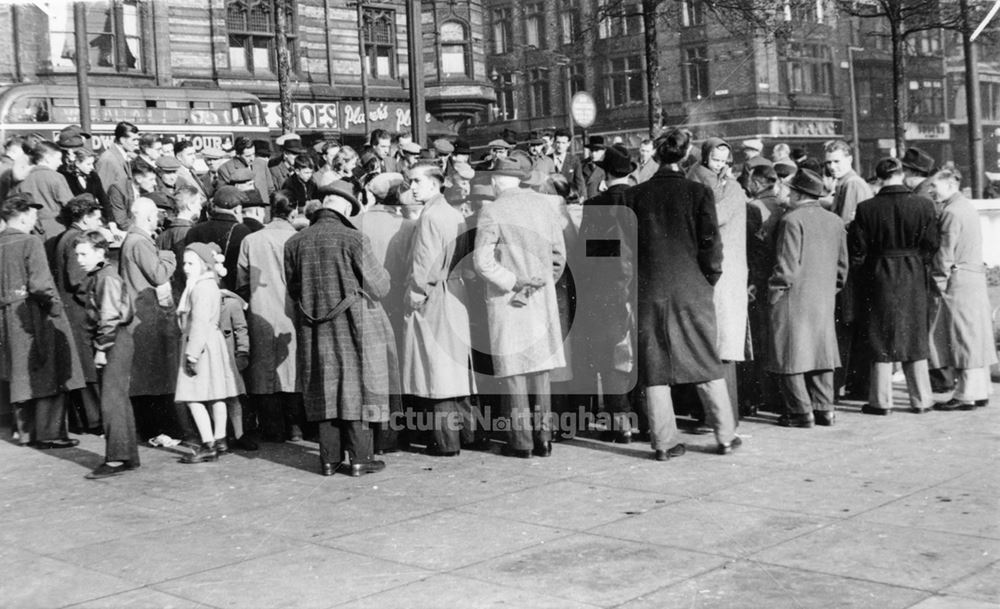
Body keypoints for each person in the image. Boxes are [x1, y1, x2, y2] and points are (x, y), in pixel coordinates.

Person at [623, 129, 739, 459]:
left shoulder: (635, 195)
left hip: (649, 290)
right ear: (686, 155)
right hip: (693, 289)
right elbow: (712, 247)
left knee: (654, 363)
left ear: (656, 155)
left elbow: (626, 251)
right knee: (703, 357)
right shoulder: (699, 193)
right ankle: (726, 436)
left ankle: (663, 443)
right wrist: (707, 280)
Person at [284, 181, 393, 477]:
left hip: (312, 326)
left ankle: (329, 460)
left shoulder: (294, 242)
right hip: (353, 323)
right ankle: (360, 458)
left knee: (322, 386)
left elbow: (293, 290)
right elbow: (379, 286)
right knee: (355, 386)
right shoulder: (355, 239)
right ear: (346, 207)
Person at [474, 156, 567, 459]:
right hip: (541, 298)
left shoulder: (491, 210)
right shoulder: (546, 206)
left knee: (514, 371)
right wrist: (541, 283)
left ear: (499, 180)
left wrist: (515, 283)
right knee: (540, 369)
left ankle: (521, 442)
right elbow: (558, 256)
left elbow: (482, 262)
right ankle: (544, 439)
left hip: (508, 300)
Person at [848, 157, 939, 416]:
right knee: (914, 333)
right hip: (912, 272)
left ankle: (881, 401)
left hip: (879, 274)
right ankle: (921, 399)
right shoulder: (924, 205)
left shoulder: (866, 208)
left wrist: (867, 271)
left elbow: (858, 250)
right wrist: (917, 262)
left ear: (878, 178)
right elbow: (931, 244)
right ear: (901, 174)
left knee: (880, 334)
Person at [402, 163, 476, 456]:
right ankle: (469, 434)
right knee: (457, 369)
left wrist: (415, 297)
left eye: (417, 181)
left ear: (435, 184)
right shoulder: (453, 213)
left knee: (437, 372)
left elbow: (424, 265)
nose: (413, 187)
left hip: (436, 296)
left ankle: (446, 442)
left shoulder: (430, 217)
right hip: (457, 293)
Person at [0, 193, 83, 448]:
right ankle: (49, 434)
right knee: (49, 369)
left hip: (6, 316)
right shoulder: (30, 242)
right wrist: (56, 309)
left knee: (19, 372)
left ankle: (25, 432)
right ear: (24, 215)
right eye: (34, 212)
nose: (36, 217)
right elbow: (40, 284)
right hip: (33, 313)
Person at [767, 169, 848, 427]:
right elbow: (842, 267)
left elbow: (786, 267)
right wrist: (829, 290)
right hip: (824, 297)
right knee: (822, 353)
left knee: (789, 354)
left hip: (793, 297)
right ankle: (825, 408)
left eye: (790, 190)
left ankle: (801, 411)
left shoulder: (792, 220)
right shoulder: (834, 220)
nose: (787, 193)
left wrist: (773, 292)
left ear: (799, 193)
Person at [577, 143, 636, 443]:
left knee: (609, 356)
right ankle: (645, 421)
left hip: (604, 290)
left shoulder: (594, 206)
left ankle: (620, 423)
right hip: (639, 288)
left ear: (605, 172)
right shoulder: (641, 200)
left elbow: (588, 256)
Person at [927, 167, 998, 410]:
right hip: (974, 278)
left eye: (935, 186)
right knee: (975, 335)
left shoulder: (951, 212)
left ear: (948, 185)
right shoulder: (966, 207)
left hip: (958, 281)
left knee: (961, 337)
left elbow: (946, 252)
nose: (932, 191)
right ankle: (979, 390)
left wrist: (938, 281)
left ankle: (966, 393)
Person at [688, 137, 748, 424]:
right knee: (715, 342)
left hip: (724, 272)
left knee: (720, 343)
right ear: (704, 158)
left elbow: (715, 217)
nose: (721, 165)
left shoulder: (730, 188)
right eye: (716, 160)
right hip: (716, 271)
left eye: (725, 160)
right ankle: (715, 416)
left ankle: (719, 417)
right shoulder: (713, 184)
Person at [237, 190, 303, 443]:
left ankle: (272, 428)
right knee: (292, 367)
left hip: (260, 311)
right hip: (291, 312)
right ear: (293, 212)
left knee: (263, 368)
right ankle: (296, 426)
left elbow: (242, 281)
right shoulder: (297, 238)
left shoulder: (251, 241)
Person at [76, 230, 139, 479]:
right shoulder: (102, 275)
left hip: (114, 341)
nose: (79, 259)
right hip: (115, 339)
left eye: (84, 253)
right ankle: (127, 455)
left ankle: (116, 459)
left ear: (100, 252)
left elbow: (109, 316)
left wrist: (102, 348)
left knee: (111, 401)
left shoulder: (106, 277)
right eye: (77, 254)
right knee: (117, 399)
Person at [119, 197, 182, 442]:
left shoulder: (131, 240)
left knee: (145, 376)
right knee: (156, 376)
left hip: (140, 313)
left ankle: (150, 429)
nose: (157, 220)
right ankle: (161, 429)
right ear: (146, 217)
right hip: (148, 314)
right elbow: (159, 274)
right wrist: (169, 256)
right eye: (155, 216)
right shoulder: (140, 242)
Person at [175, 242, 241, 463]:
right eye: (184, 262)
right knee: (216, 394)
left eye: (191, 263)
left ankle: (208, 444)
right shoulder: (209, 284)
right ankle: (220, 439)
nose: (185, 267)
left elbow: (199, 323)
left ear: (204, 265)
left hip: (200, 345)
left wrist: (192, 354)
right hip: (213, 344)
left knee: (192, 396)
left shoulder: (200, 288)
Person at [52, 194, 106, 434]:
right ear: (84, 219)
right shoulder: (76, 239)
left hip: (71, 310)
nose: (99, 223)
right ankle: (94, 421)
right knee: (88, 367)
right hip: (78, 310)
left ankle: (85, 420)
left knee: (82, 367)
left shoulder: (65, 236)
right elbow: (77, 279)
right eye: (96, 218)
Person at [824, 139, 873, 400]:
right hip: (853, 265)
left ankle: (847, 383)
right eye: (829, 162)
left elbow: (842, 227)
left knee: (846, 324)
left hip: (850, 267)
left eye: (837, 161)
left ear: (849, 159)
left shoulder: (852, 185)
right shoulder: (846, 184)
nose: (832, 166)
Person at [185, 185, 251, 292]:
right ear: (238, 210)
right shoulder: (242, 231)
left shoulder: (194, 230)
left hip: (198, 291)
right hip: (230, 293)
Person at [15, 140, 74, 242]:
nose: (60, 163)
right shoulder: (57, 177)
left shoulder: (22, 177)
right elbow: (70, 205)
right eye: (58, 159)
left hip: (31, 229)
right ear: (47, 159)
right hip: (57, 228)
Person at [218, 285, 254, 451]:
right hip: (209, 356)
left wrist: (242, 352)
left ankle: (239, 434)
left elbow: (241, 328)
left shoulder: (231, 303)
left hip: (227, 356)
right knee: (214, 397)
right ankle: (220, 437)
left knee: (233, 396)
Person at [156, 185, 203, 299]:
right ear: (190, 205)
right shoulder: (191, 233)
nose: (200, 207)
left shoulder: (162, 235)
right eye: (198, 202)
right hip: (185, 294)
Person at [217, 136, 274, 204]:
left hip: (263, 210)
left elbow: (270, 189)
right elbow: (223, 196)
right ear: (238, 154)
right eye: (248, 156)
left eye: (253, 154)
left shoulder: (262, 164)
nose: (252, 158)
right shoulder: (225, 169)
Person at [96, 121, 139, 206]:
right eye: (134, 140)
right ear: (122, 140)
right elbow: (103, 192)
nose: (136, 143)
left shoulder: (123, 156)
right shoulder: (108, 159)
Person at [60, 147, 109, 214]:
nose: (92, 167)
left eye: (92, 164)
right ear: (77, 163)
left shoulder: (93, 176)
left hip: (93, 216)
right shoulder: (65, 178)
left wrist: (111, 220)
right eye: (88, 164)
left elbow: (103, 199)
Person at [550, 129, 586, 196]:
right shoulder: (547, 159)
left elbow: (580, 182)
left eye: (563, 143)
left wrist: (583, 198)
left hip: (568, 199)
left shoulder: (574, 160)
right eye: (558, 142)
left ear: (568, 144)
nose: (560, 146)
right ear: (554, 142)